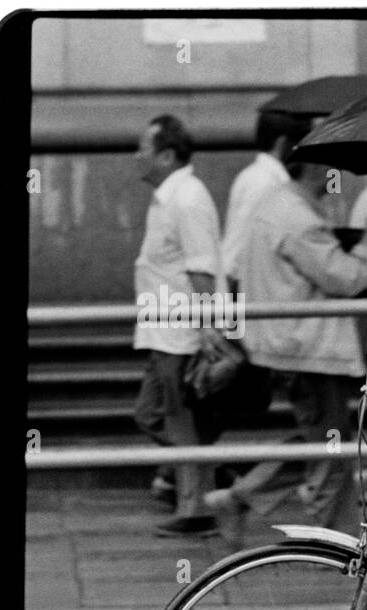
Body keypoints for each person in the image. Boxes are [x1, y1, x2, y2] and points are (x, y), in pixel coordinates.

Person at [205, 158, 367, 538]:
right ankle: (332, 537)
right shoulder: (295, 217)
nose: (337, 177)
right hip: (307, 348)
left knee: (324, 439)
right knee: (330, 448)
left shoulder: (278, 205)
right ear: (312, 169)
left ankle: (243, 497)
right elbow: (346, 278)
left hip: (293, 345)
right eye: (332, 170)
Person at [131, 114, 224, 537]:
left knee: (176, 419)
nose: (138, 156)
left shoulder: (187, 198)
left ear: (167, 155)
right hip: (162, 329)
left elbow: (202, 268)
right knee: (151, 415)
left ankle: (196, 510)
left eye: (144, 148)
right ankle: (208, 475)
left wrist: (208, 330)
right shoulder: (170, 196)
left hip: (180, 331)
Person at [221, 111, 306, 292]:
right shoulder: (264, 182)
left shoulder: (256, 177)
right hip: (247, 290)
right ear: (282, 143)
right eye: (296, 144)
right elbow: (238, 243)